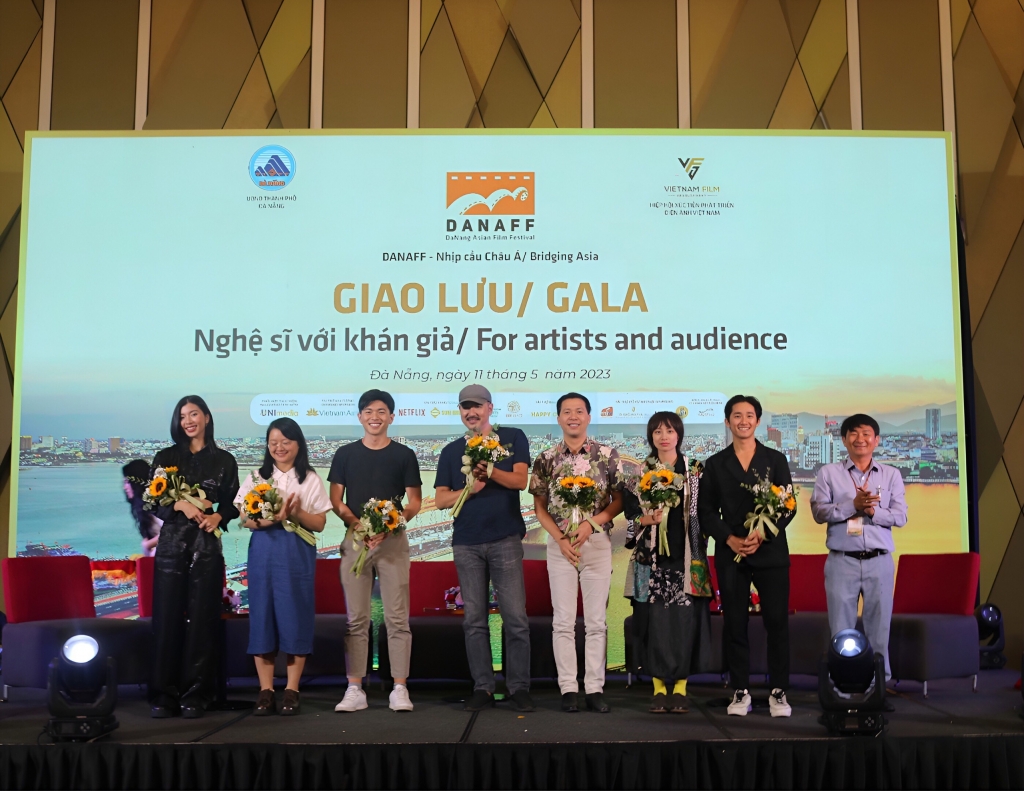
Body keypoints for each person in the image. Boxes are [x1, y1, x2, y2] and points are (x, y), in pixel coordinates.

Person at [434, 384, 534, 713]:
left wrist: (491, 471)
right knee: (474, 621)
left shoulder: (512, 438)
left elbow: (520, 481)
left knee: (515, 618)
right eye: (466, 407)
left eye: (477, 406)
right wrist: (471, 488)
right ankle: (483, 687)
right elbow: (441, 499)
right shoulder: (451, 451)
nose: (471, 412)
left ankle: (519, 688)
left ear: (490, 408)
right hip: (466, 542)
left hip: (505, 538)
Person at [699, 395, 795, 718]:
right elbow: (706, 512)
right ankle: (740, 690)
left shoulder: (775, 459)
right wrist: (730, 538)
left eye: (749, 415)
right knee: (735, 624)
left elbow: (789, 505)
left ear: (758, 421)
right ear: (728, 422)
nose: (743, 421)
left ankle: (778, 690)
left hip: (770, 551)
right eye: (737, 416)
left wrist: (764, 533)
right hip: (732, 553)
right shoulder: (715, 464)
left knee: (777, 622)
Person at [329, 389, 422, 713]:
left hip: (392, 542)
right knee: (356, 619)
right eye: (368, 411)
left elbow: (414, 502)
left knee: (397, 617)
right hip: (356, 540)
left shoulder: (404, 455)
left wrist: (391, 526)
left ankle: (400, 687)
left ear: (392, 417)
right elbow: (336, 500)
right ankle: (355, 688)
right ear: (359, 417)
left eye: (382, 411)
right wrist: (358, 525)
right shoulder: (345, 454)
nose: (375, 417)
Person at [530, 392, 624, 714]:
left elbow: (618, 501)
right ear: (558, 418)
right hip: (561, 547)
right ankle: (568, 688)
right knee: (563, 622)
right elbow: (539, 508)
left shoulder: (607, 455)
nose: (573, 416)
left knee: (596, 622)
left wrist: (591, 524)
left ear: (588, 417)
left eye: (579, 411)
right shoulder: (545, 458)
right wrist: (559, 539)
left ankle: (595, 689)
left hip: (596, 545)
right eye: (567, 411)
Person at [149, 396, 240, 719]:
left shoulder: (225, 460)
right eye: (183, 416)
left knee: (203, 621)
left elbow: (232, 503)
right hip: (171, 545)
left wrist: (218, 517)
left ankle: (197, 695)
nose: (188, 421)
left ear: (207, 417)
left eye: (194, 414)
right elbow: (153, 501)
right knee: (166, 619)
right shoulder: (165, 457)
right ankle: (163, 695)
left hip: (206, 546)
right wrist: (180, 505)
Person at [236, 418, 331, 716]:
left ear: (298, 444)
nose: (279, 447)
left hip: (296, 553)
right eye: (273, 442)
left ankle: (292, 689)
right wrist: (268, 520)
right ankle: (265, 691)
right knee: (262, 615)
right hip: (263, 552)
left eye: (285, 441)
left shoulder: (310, 479)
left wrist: (295, 512)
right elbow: (244, 518)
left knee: (295, 616)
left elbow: (320, 523)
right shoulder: (256, 478)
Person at [622, 411, 712, 714]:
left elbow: (707, 511)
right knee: (654, 622)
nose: (664, 436)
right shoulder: (638, 472)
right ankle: (659, 688)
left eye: (670, 431)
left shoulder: (695, 469)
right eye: (658, 431)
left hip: (687, 557)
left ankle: (681, 688)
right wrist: (647, 519)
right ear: (651, 436)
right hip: (650, 560)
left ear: (679, 435)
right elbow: (630, 519)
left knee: (686, 623)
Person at [811, 413, 907, 679]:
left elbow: (901, 516)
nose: (860, 439)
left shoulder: (891, 474)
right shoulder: (829, 473)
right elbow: (819, 512)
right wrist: (852, 506)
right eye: (853, 433)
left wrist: (874, 512)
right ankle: (842, 682)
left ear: (877, 440)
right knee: (841, 629)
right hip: (842, 560)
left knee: (880, 628)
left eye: (866, 434)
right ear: (844, 440)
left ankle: (879, 683)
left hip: (880, 560)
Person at [123, 458, 163, 556]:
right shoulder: (146, 506)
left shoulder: (157, 504)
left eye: (127, 482)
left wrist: (147, 545)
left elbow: (173, 531)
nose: (125, 487)